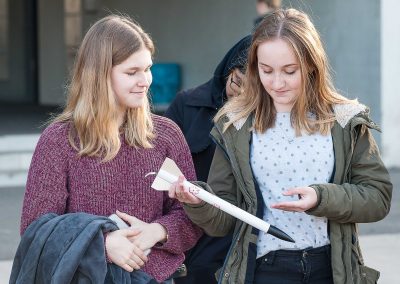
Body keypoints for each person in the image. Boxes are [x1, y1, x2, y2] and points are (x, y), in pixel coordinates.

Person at [169, 8, 392, 284]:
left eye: (289, 71)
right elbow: (222, 220)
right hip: (264, 270)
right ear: (254, 67)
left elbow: (378, 198)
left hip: (333, 269)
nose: (277, 83)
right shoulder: (235, 124)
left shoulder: (345, 120)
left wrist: (321, 198)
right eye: (266, 71)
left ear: (312, 64)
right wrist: (198, 201)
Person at [18, 15, 202, 283]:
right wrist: (102, 245)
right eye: (131, 72)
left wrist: (159, 230)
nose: (145, 80)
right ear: (99, 74)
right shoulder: (59, 140)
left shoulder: (165, 135)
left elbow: (191, 217)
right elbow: (36, 230)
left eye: (147, 68)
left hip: (157, 279)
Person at [164, 36, 251, 284]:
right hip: (185, 227)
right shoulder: (187, 104)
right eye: (236, 82)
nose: (239, 94)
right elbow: (155, 166)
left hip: (230, 237)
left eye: (251, 90)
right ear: (228, 70)